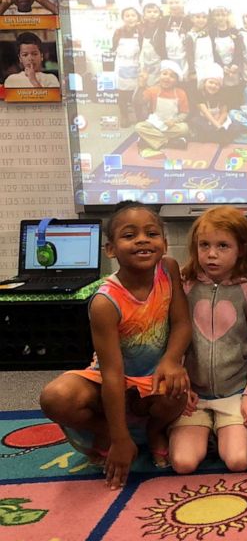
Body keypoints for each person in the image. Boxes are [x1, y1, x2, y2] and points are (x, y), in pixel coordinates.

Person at [38, 202, 192, 488]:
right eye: (129, 235)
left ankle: (154, 430)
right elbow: (111, 373)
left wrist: (171, 360)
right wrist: (119, 439)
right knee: (55, 397)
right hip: (110, 377)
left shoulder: (168, 270)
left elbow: (182, 323)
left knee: (177, 389)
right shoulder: (105, 302)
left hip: (154, 378)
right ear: (110, 249)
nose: (142, 240)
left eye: (151, 233)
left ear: (164, 243)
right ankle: (110, 432)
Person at [170, 206, 247, 474]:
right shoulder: (185, 288)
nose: (211, 254)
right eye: (204, 245)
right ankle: (207, 432)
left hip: (235, 395)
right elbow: (176, 342)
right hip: (194, 397)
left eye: (223, 246)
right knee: (183, 463)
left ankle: (222, 432)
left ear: (241, 248)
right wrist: (182, 389)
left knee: (238, 461)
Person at [133, 60, 189, 157]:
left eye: (172, 76)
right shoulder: (153, 90)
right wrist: (141, 86)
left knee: (184, 128)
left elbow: (184, 113)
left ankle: (150, 140)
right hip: (155, 123)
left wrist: (174, 121)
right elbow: (138, 102)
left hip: (171, 125)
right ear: (159, 76)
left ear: (176, 80)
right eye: (164, 74)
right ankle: (169, 142)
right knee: (139, 127)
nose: (167, 77)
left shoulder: (180, 93)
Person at [112, 7, 142, 126]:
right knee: (122, 93)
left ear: (138, 17)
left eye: (133, 15)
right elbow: (114, 47)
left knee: (137, 92)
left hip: (136, 64)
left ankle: (139, 116)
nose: (130, 18)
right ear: (123, 18)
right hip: (122, 65)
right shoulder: (118, 31)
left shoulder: (142, 31)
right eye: (127, 15)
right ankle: (124, 116)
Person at [189, 61, 232, 143]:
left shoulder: (223, 94)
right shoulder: (198, 94)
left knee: (233, 126)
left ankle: (214, 135)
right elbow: (205, 113)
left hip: (218, 119)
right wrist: (218, 127)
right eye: (211, 82)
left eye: (217, 84)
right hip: (205, 119)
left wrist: (219, 125)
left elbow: (224, 112)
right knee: (195, 122)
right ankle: (215, 136)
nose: (213, 86)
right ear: (204, 83)